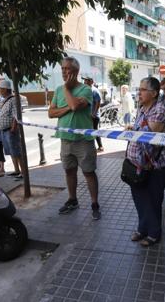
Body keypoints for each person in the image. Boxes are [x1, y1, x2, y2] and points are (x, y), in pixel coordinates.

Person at [48, 57, 101, 220]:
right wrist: (68, 108)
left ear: (76, 72)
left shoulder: (85, 89)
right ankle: (72, 200)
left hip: (83, 140)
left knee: (89, 172)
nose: (64, 71)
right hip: (65, 139)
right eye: (62, 68)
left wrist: (66, 89)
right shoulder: (57, 90)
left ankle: (94, 203)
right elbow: (51, 113)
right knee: (69, 171)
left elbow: (75, 106)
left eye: (67, 69)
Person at [126, 77, 165, 246]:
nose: (139, 92)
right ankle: (142, 228)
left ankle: (154, 233)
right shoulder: (142, 108)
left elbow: (147, 136)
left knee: (152, 200)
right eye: (139, 89)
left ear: (153, 93)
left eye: (143, 89)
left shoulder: (159, 110)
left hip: (154, 165)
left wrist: (132, 129)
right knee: (139, 198)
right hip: (137, 164)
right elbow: (139, 130)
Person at [0, 80, 23, 179]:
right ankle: (16, 170)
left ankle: (23, 172)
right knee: (11, 152)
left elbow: (16, 115)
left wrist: (13, 128)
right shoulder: (5, 100)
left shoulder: (13, 100)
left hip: (10, 130)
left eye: (0, 89)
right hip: (5, 131)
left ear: (5, 89)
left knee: (16, 152)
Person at [82, 76, 104, 152]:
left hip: (94, 116)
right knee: (89, 131)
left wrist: (94, 113)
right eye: (84, 81)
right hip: (88, 116)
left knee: (94, 131)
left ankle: (100, 146)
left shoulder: (94, 90)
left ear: (91, 82)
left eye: (86, 81)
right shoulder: (86, 90)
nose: (85, 82)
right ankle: (90, 147)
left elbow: (98, 102)